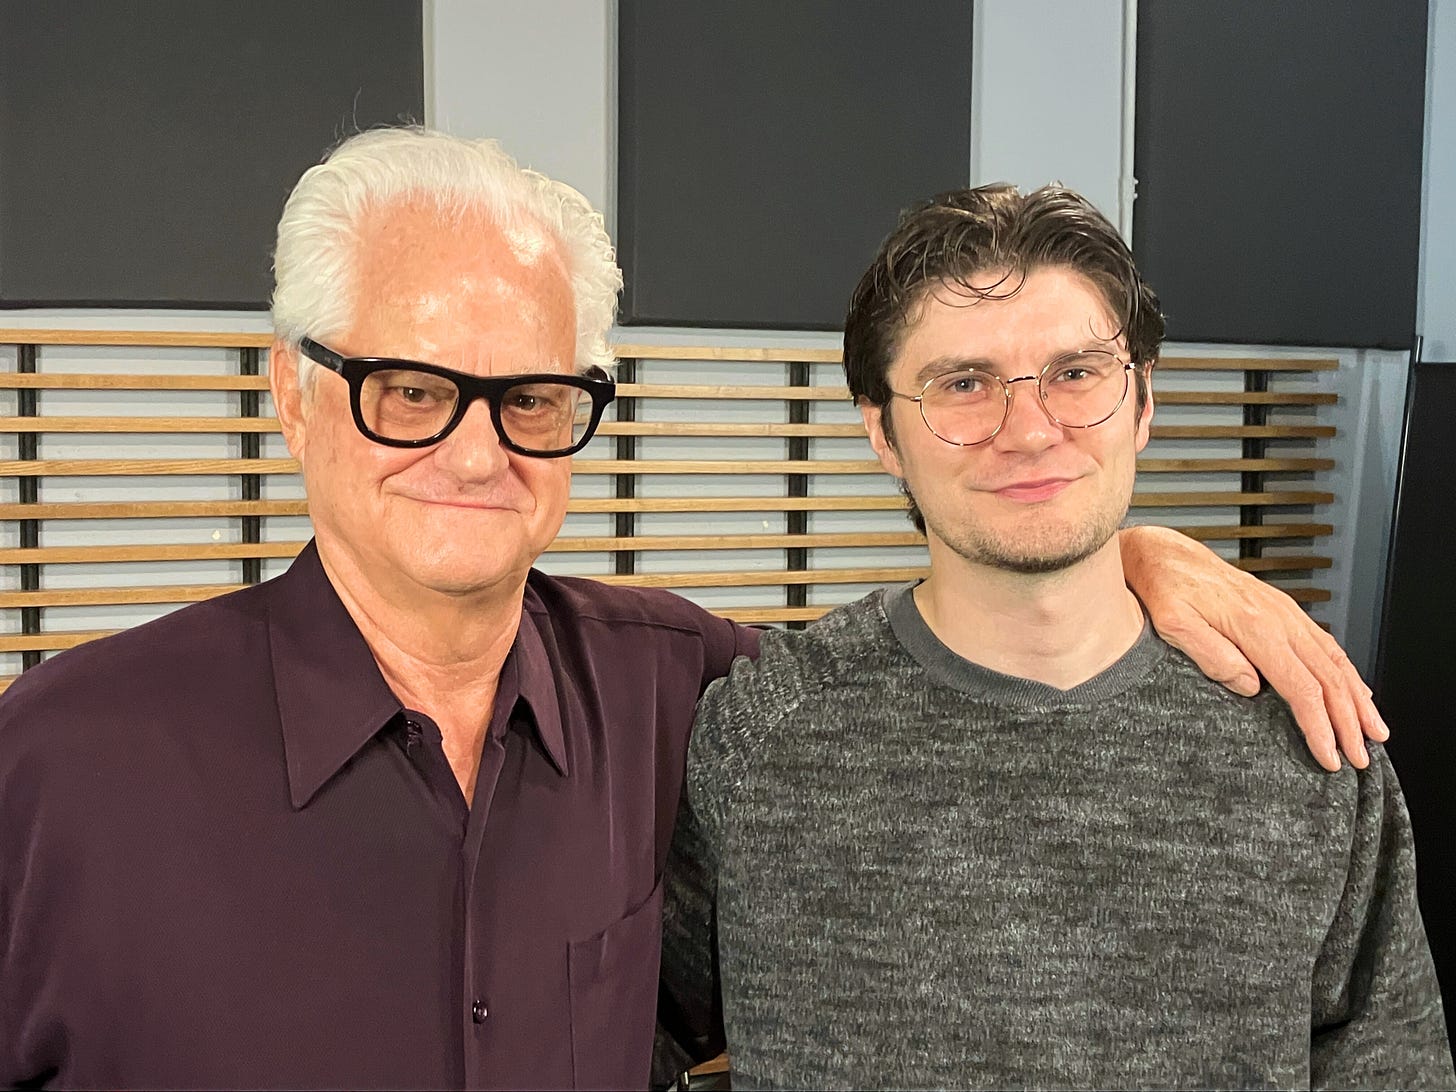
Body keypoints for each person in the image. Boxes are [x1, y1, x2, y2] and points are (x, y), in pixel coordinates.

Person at [0, 130, 1381, 1090]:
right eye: (411, 390)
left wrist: (1122, 553)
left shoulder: (695, 697)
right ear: (295, 394)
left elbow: (955, 669)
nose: (478, 454)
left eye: (534, 398)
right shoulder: (61, 763)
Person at [658, 184, 1454, 1089]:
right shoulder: (759, 735)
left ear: (1143, 401)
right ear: (883, 433)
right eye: (963, 385)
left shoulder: (1310, 736)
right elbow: (607, 1037)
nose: (1031, 432)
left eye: (1076, 374)